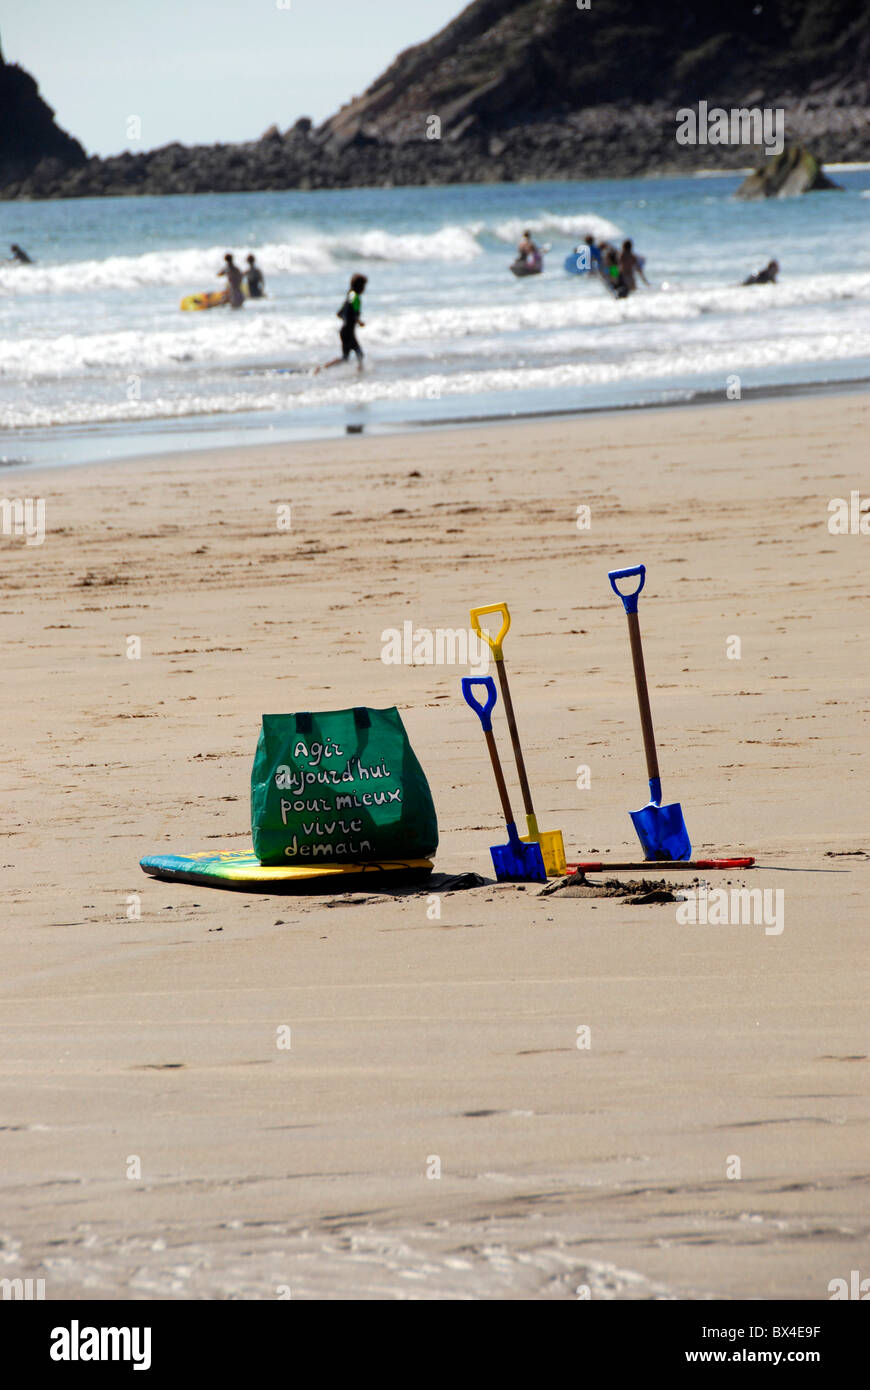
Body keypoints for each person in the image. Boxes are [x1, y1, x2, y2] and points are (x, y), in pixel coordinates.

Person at [318, 273, 367, 372]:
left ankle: (322, 368)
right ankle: (360, 373)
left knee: (346, 358)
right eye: (364, 286)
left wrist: (350, 319)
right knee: (359, 355)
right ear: (360, 286)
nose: (364, 288)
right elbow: (353, 313)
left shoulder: (350, 296)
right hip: (348, 332)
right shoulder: (355, 297)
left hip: (345, 331)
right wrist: (358, 321)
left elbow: (339, 314)